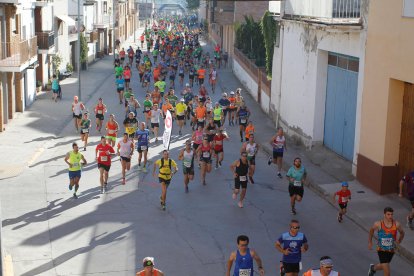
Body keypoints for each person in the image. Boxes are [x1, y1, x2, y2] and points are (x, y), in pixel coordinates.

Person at [368, 207, 405, 276]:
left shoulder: (396, 224)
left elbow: (402, 233)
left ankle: (373, 268)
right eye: (388, 214)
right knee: (387, 273)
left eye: (391, 214)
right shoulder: (378, 224)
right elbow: (371, 231)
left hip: (391, 249)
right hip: (381, 249)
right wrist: (370, 242)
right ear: (384, 214)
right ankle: (373, 268)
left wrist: (399, 241)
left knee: (383, 265)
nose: (390, 216)